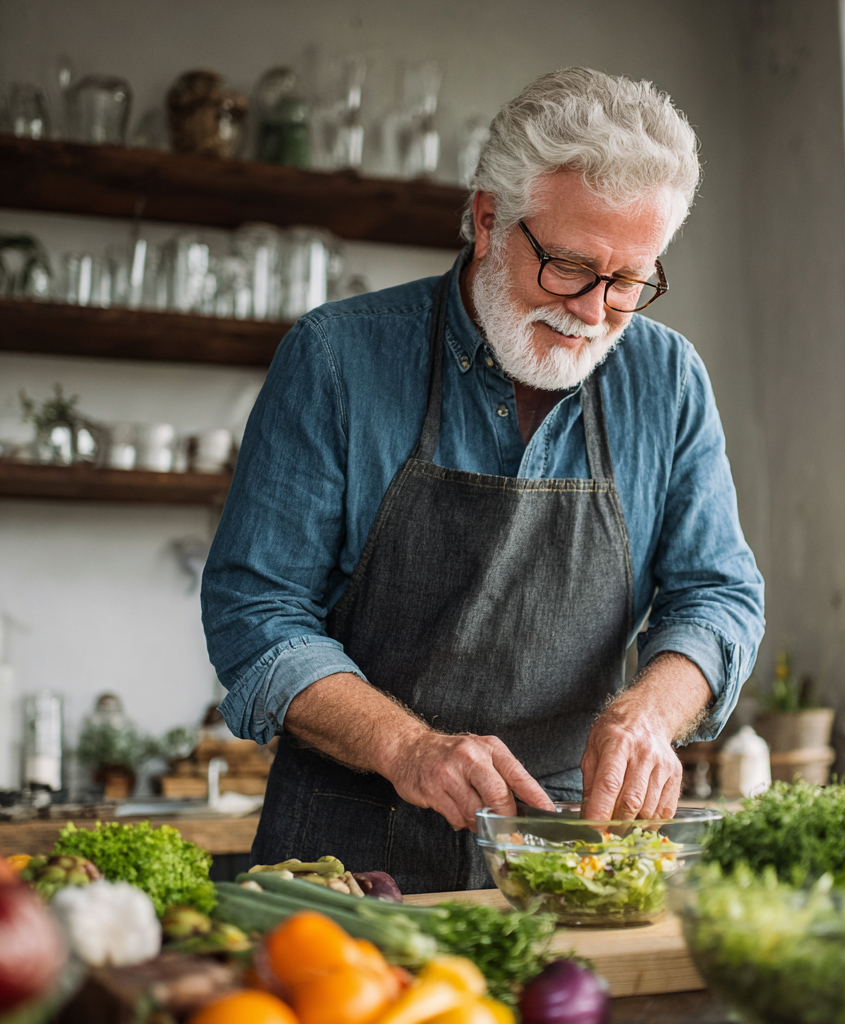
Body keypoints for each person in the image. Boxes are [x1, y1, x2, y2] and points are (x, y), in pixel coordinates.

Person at [202, 67, 764, 893]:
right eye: (570, 266)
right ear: (488, 219)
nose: (592, 310)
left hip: (573, 849)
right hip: (347, 857)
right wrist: (409, 749)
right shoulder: (336, 359)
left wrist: (649, 713)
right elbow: (256, 615)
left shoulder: (668, 379)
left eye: (630, 282)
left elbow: (718, 596)